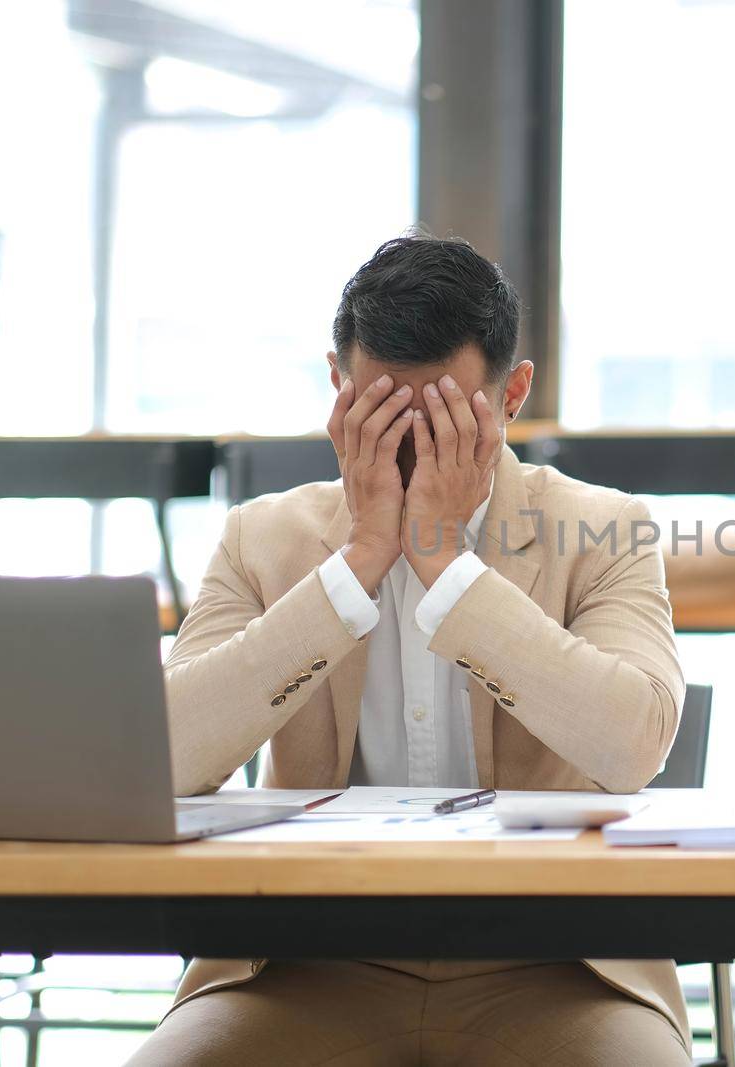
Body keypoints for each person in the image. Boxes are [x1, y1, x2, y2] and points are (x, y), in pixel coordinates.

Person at [127, 234, 689, 1066]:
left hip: (559, 964)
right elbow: (161, 759)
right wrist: (357, 565)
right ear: (338, 387)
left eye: (447, 419)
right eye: (386, 414)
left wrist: (446, 564)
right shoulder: (263, 536)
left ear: (513, 395)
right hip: (304, 965)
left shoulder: (605, 529)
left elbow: (633, 744)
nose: (415, 448)